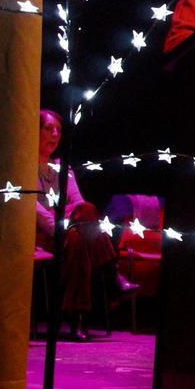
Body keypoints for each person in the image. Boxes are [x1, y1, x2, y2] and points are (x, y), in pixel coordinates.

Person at [35, 109, 138, 340]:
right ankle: (111, 277)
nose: (55, 135)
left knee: (81, 230)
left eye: (59, 130)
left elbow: (79, 204)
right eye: (48, 129)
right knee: (80, 229)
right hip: (43, 234)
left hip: (70, 231)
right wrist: (61, 225)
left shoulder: (63, 167)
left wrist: (68, 223)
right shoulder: (22, 165)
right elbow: (35, 210)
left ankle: (77, 319)